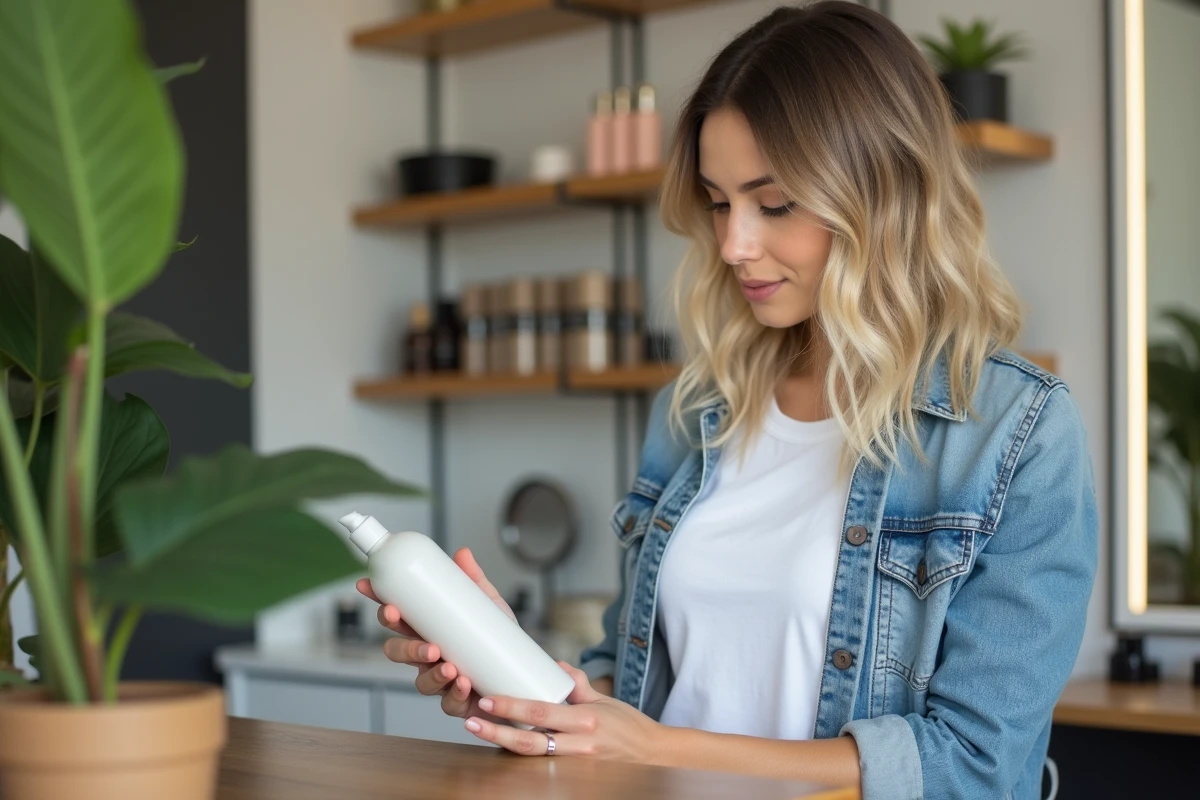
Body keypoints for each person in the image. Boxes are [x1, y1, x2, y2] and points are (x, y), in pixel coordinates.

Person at [357, 3, 1098, 797]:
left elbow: (974, 764)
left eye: (773, 203)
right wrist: (516, 681)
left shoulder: (1015, 434)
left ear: (885, 194)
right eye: (718, 201)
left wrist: (653, 747)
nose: (733, 244)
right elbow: (629, 688)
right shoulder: (695, 411)